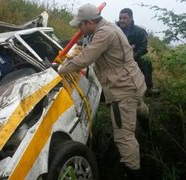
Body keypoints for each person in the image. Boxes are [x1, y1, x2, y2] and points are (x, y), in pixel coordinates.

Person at [58, 3, 149, 179]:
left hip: (122, 89)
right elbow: (89, 50)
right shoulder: (107, 27)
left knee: (123, 137)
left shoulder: (104, 34)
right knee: (138, 106)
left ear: (89, 22)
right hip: (134, 82)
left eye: (80, 25)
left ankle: (133, 172)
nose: (79, 28)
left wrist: (59, 69)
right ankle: (147, 124)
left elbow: (85, 58)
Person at [117, 8, 160, 96]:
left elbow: (144, 47)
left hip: (133, 56)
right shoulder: (114, 29)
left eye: (124, 18)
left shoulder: (139, 31)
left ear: (131, 18)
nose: (121, 20)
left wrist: (133, 55)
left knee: (146, 61)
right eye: (120, 18)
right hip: (116, 56)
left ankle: (148, 88)